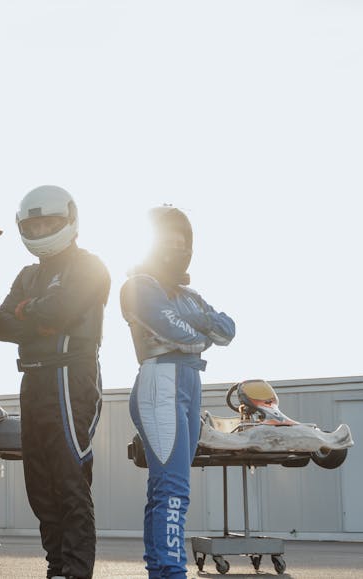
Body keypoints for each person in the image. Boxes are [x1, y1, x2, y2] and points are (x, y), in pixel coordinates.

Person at [0, 185, 110, 579]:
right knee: (39, 484)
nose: (41, 230)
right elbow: (0, 324)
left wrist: (30, 314)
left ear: (69, 221)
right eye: (35, 224)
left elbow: (64, 308)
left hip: (69, 376)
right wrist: (38, 316)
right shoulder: (27, 274)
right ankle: (56, 567)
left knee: (69, 480)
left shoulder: (90, 266)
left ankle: (76, 572)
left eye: (49, 223)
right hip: (34, 378)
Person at [121, 206, 235, 579]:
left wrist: (197, 325)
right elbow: (177, 334)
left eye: (180, 241)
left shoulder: (190, 295)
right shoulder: (138, 285)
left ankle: (160, 570)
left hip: (188, 383)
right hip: (160, 381)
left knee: (165, 486)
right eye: (166, 240)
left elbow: (227, 330)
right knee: (173, 488)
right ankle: (171, 572)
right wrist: (201, 330)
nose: (174, 247)